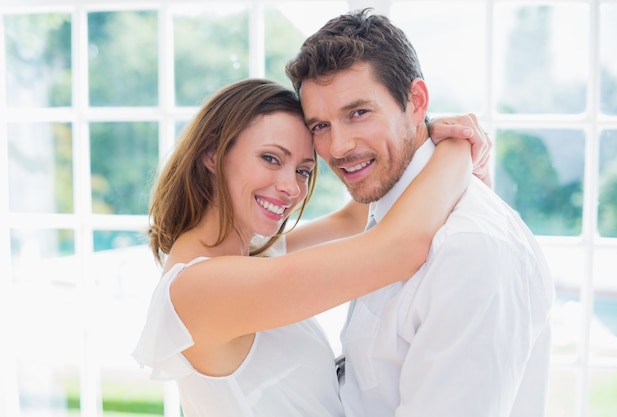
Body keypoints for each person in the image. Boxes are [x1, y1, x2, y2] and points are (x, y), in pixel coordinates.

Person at [132, 78, 487, 416]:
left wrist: (410, 131)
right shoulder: (200, 291)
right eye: (271, 158)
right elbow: (400, 248)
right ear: (211, 152)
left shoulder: (252, 254)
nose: (291, 188)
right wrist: (459, 146)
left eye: (303, 170)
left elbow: (352, 219)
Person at [285, 9, 555, 417]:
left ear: (417, 102)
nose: (338, 148)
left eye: (358, 113)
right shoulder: (383, 211)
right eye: (320, 126)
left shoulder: (469, 252)